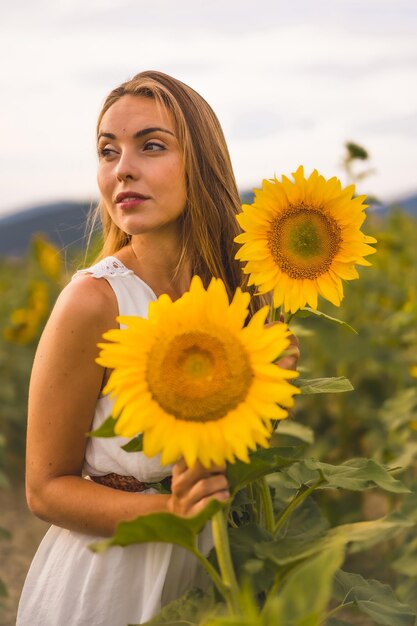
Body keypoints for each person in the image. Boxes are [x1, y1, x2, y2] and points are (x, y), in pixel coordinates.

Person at [17, 70, 299, 626]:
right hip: (110, 585)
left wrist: (277, 385)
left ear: (202, 162)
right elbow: (45, 490)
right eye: (107, 150)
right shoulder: (95, 302)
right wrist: (174, 511)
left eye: (151, 145)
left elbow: (242, 448)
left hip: (221, 579)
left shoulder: (244, 300)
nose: (122, 168)